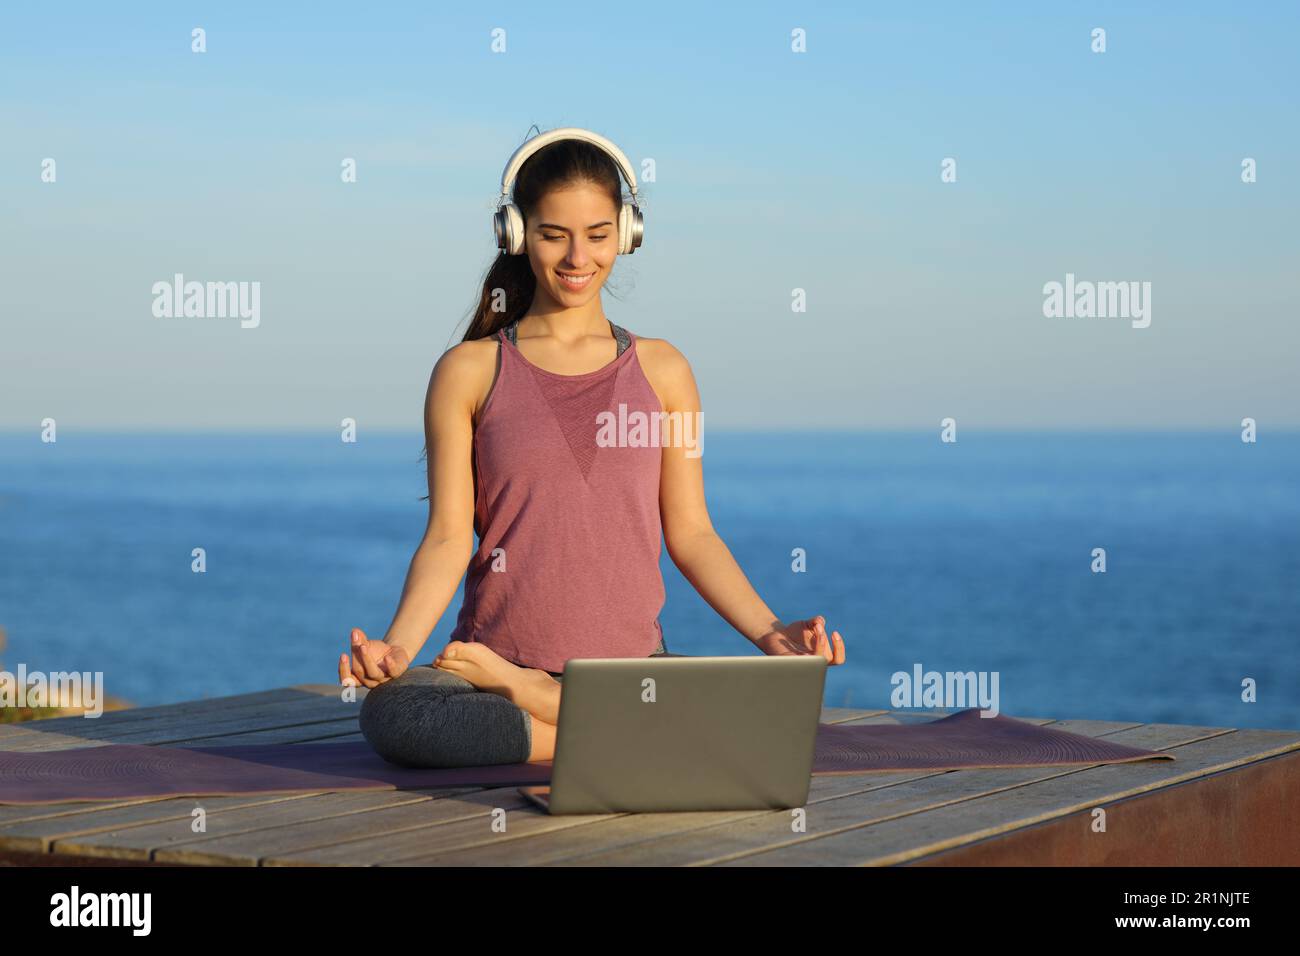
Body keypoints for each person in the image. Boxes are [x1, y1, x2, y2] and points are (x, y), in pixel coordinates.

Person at [338, 127, 845, 768]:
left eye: (598, 235)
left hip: (630, 675)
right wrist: (398, 650)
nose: (578, 257)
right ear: (517, 234)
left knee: (776, 703)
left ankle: (553, 710)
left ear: (627, 234)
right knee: (398, 717)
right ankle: (619, 735)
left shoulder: (667, 373)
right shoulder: (467, 372)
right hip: (496, 670)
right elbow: (445, 537)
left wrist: (774, 635)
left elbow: (692, 534)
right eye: (554, 234)